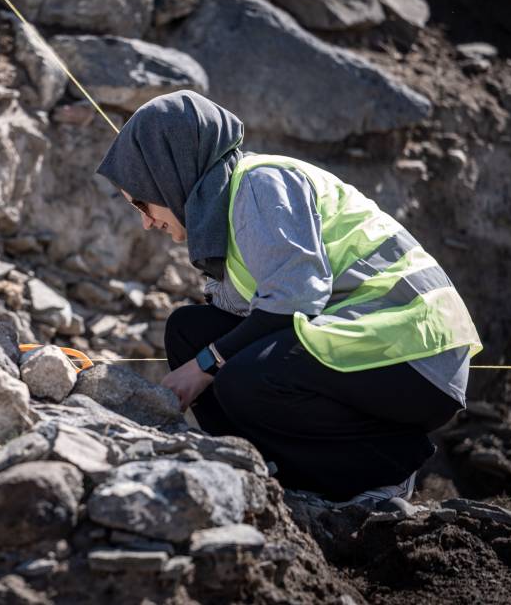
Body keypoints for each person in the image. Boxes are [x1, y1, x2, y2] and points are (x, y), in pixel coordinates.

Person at [96, 90, 482, 506]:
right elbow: (249, 317)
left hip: (414, 351)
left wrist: (205, 365)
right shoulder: (222, 212)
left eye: (142, 202)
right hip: (368, 341)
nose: (146, 222)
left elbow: (293, 300)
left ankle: (385, 468)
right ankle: (279, 476)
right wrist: (204, 357)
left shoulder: (258, 185)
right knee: (188, 333)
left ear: (168, 173)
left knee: (244, 377)